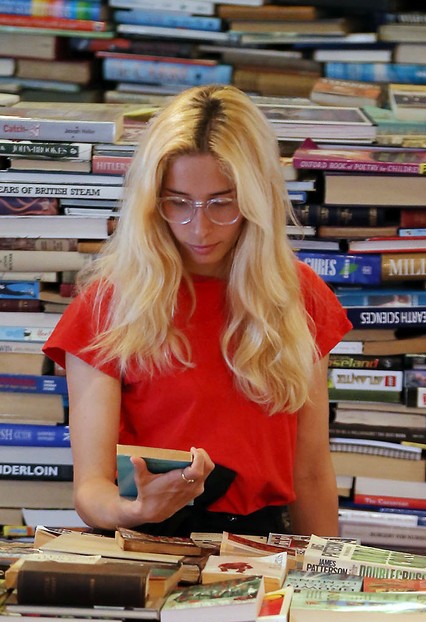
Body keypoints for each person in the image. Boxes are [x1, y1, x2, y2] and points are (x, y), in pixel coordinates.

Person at [43, 85, 351, 537]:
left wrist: (330, 583)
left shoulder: (297, 294)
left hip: (262, 544)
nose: (199, 227)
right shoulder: (111, 302)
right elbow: (90, 490)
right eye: (178, 202)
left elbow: (310, 474)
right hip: (147, 542)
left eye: (222, 203)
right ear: (151, 201)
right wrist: (135, 510)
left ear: (256, 198)